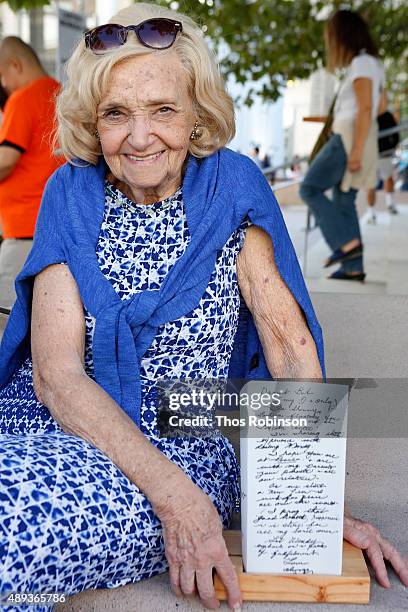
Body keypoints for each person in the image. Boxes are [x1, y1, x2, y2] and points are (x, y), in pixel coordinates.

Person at [0, 3, 406, 611]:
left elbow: (291, 353)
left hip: (175, 454)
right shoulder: (69, 191)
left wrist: (315, 509)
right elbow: (56, 375)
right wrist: (176, 499)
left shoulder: (233, 187)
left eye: (162, 109)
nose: (139, 138)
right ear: (93, 122)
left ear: (196, 113)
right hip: (45, 425)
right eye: (116, 114)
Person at [300, 10, 385, 282]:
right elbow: (380, 106)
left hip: (349, 137)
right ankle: (353, 268)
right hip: (363, 135)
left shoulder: (361, 63)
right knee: (344, 199)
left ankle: (345, 246)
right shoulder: (374, 63)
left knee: (309, 187)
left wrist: (356, 150)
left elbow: (367, 107)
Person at [0, 37, 63, 309]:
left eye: (2, 75)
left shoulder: (23, 98)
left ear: (16, 65)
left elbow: (5, 159)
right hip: (57, 230)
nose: (3, 84)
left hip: (24, 230)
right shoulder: (63, 95)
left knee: (7, 319)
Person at [367, 92, 400, 223]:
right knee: (371, 185)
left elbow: (395, 133)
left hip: (385, 154)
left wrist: (393, 147)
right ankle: (371, 213)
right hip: (371, 156)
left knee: (388, 179)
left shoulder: (388, 116)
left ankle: (390, 204)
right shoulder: (368, 114)